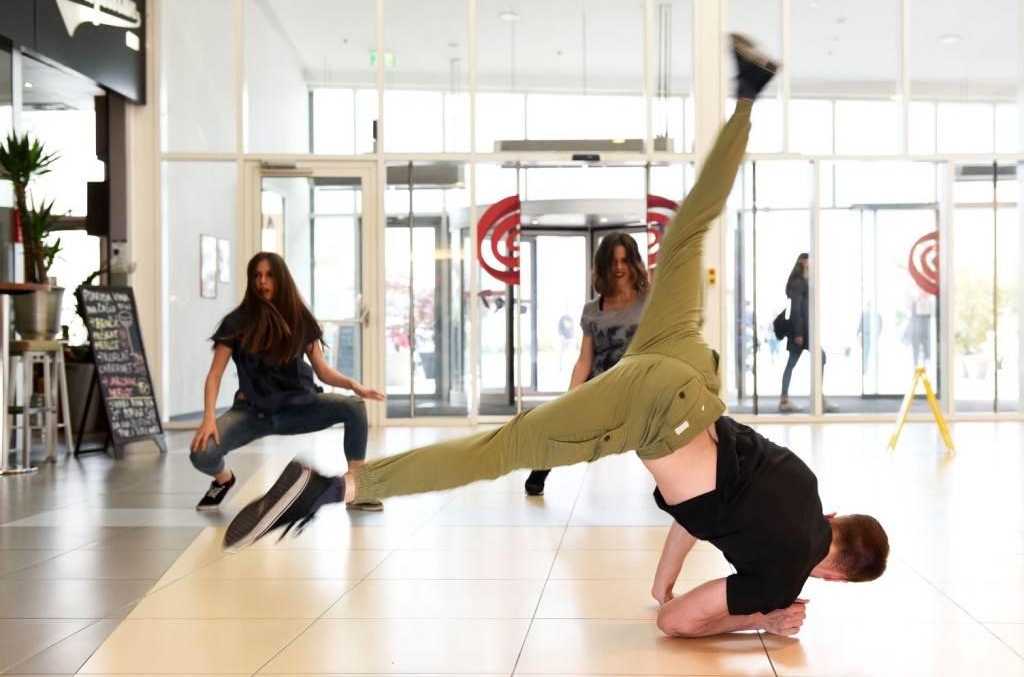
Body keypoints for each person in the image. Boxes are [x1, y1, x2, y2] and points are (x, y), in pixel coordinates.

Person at [224, 35, 889, 638]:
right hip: (656, 409)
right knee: (500, 448)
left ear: (838, 522)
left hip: (687, 366)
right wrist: (763, 620)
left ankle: (747, 96)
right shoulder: (783, 578)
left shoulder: (806, 486)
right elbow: (681, 624)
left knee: (689, 227)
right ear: (832, 576)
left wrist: (659, 582)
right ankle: (333, 489)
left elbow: (702, 514)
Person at [189, 252, 386, 512]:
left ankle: (358, 489)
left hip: (300, 408)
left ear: (281, 279)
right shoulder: (236, 323)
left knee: (354, 407)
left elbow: (323, 371)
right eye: (257, 276)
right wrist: (209, 418)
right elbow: (215, 374)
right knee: (201, 454)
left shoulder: (300, 320)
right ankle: (224, 480)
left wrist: (353, 385)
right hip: (253, 413)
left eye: (269, 275)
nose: (262, 281)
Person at [525, 232, 650, 496]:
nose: (618, 267)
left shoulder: (649, 301)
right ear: (603, 265)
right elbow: (585, 359)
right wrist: (571, 395)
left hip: (639, 385)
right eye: (613, 261)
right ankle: (542, 468)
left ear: (633, 263)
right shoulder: (593, 309)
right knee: (564, 423)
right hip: (601, 386)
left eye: (625, 260)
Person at [778, 254, 836, 413]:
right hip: (801, 332)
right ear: (804, 262)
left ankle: (795, 398)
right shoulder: (798, 283)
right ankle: (809, 399)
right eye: (810, 260)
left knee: (802, 361)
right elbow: (796, 310)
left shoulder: (804, 282)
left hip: (804, 331)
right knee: (811, 359)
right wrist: (798, 334)